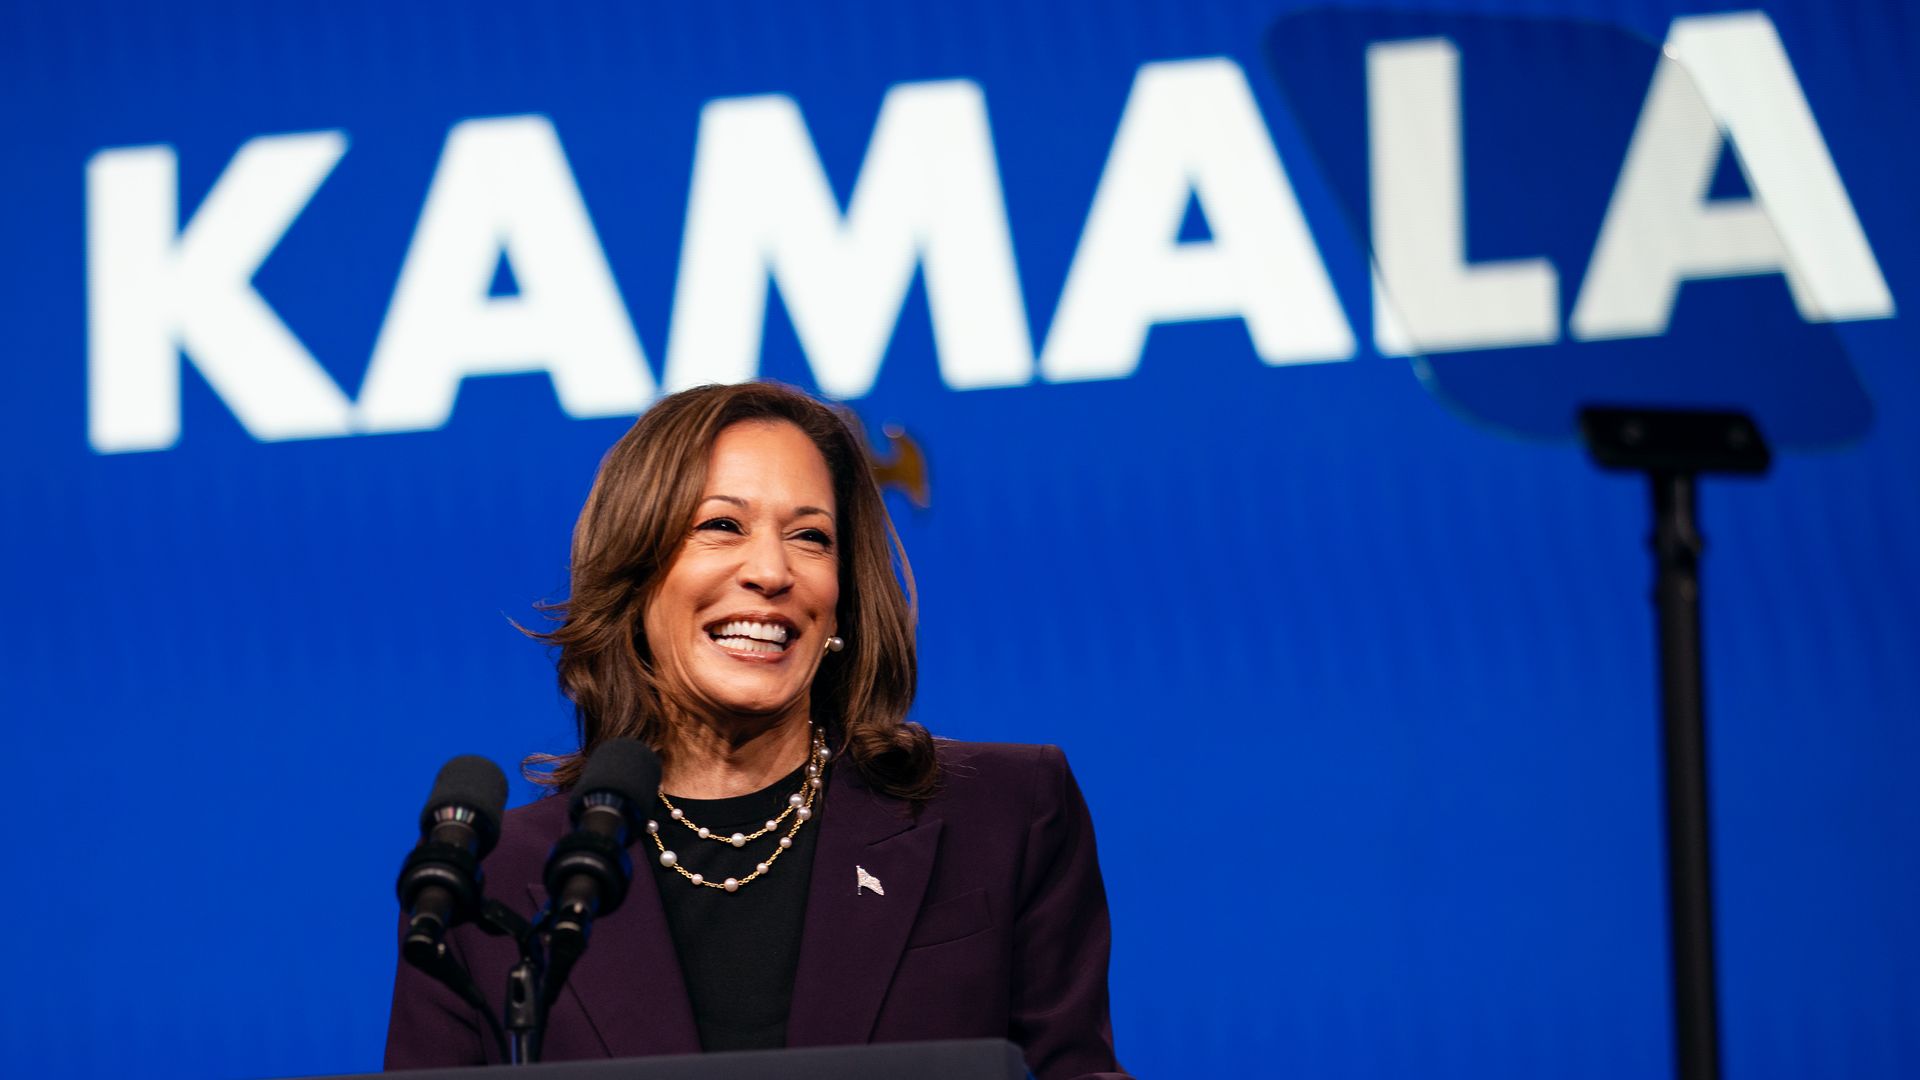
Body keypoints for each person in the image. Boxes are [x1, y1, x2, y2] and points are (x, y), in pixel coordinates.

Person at [384, 382, 1127, 1079]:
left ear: (841, 598)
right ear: (635, 577)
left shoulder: (1003, 812)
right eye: (721, 526)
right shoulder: (494, 888)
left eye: (810, 536)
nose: (771, 571)